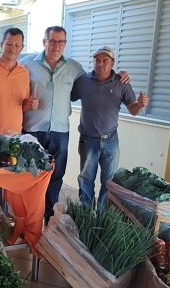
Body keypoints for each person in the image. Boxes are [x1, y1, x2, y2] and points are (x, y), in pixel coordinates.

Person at [20, 26, 129, 220]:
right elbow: (10, 74)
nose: (56, 46)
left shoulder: (75, 69)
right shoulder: (26, 64)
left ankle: (49, 217)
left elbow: (97, 79)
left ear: (65, 44)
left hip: (60, 131)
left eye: (60, 42)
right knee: (29, 176)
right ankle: (29, 218)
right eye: (52, 41)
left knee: (56, 176)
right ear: (44, 42)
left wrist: (119, 75)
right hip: (33, 130)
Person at [71, 46, 149, 208]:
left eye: (105, 61)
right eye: (97, 60)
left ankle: (102, 218)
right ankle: (86, 217)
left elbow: (133, 109)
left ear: (112, 63)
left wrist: (140, 104)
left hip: (111, 140)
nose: (100, 64)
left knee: (109, 182)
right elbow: (68, 95)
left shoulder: (122, 82)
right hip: (88, 140)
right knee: (86, 179)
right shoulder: (83, 81)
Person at [0, 27, 36, 135]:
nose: (13, 48)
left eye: (17, 45)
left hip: (14, 136)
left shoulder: (24, 73)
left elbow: (23, 106)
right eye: (9, 44)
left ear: (22, 48)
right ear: (1, 44)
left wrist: (31, 105)